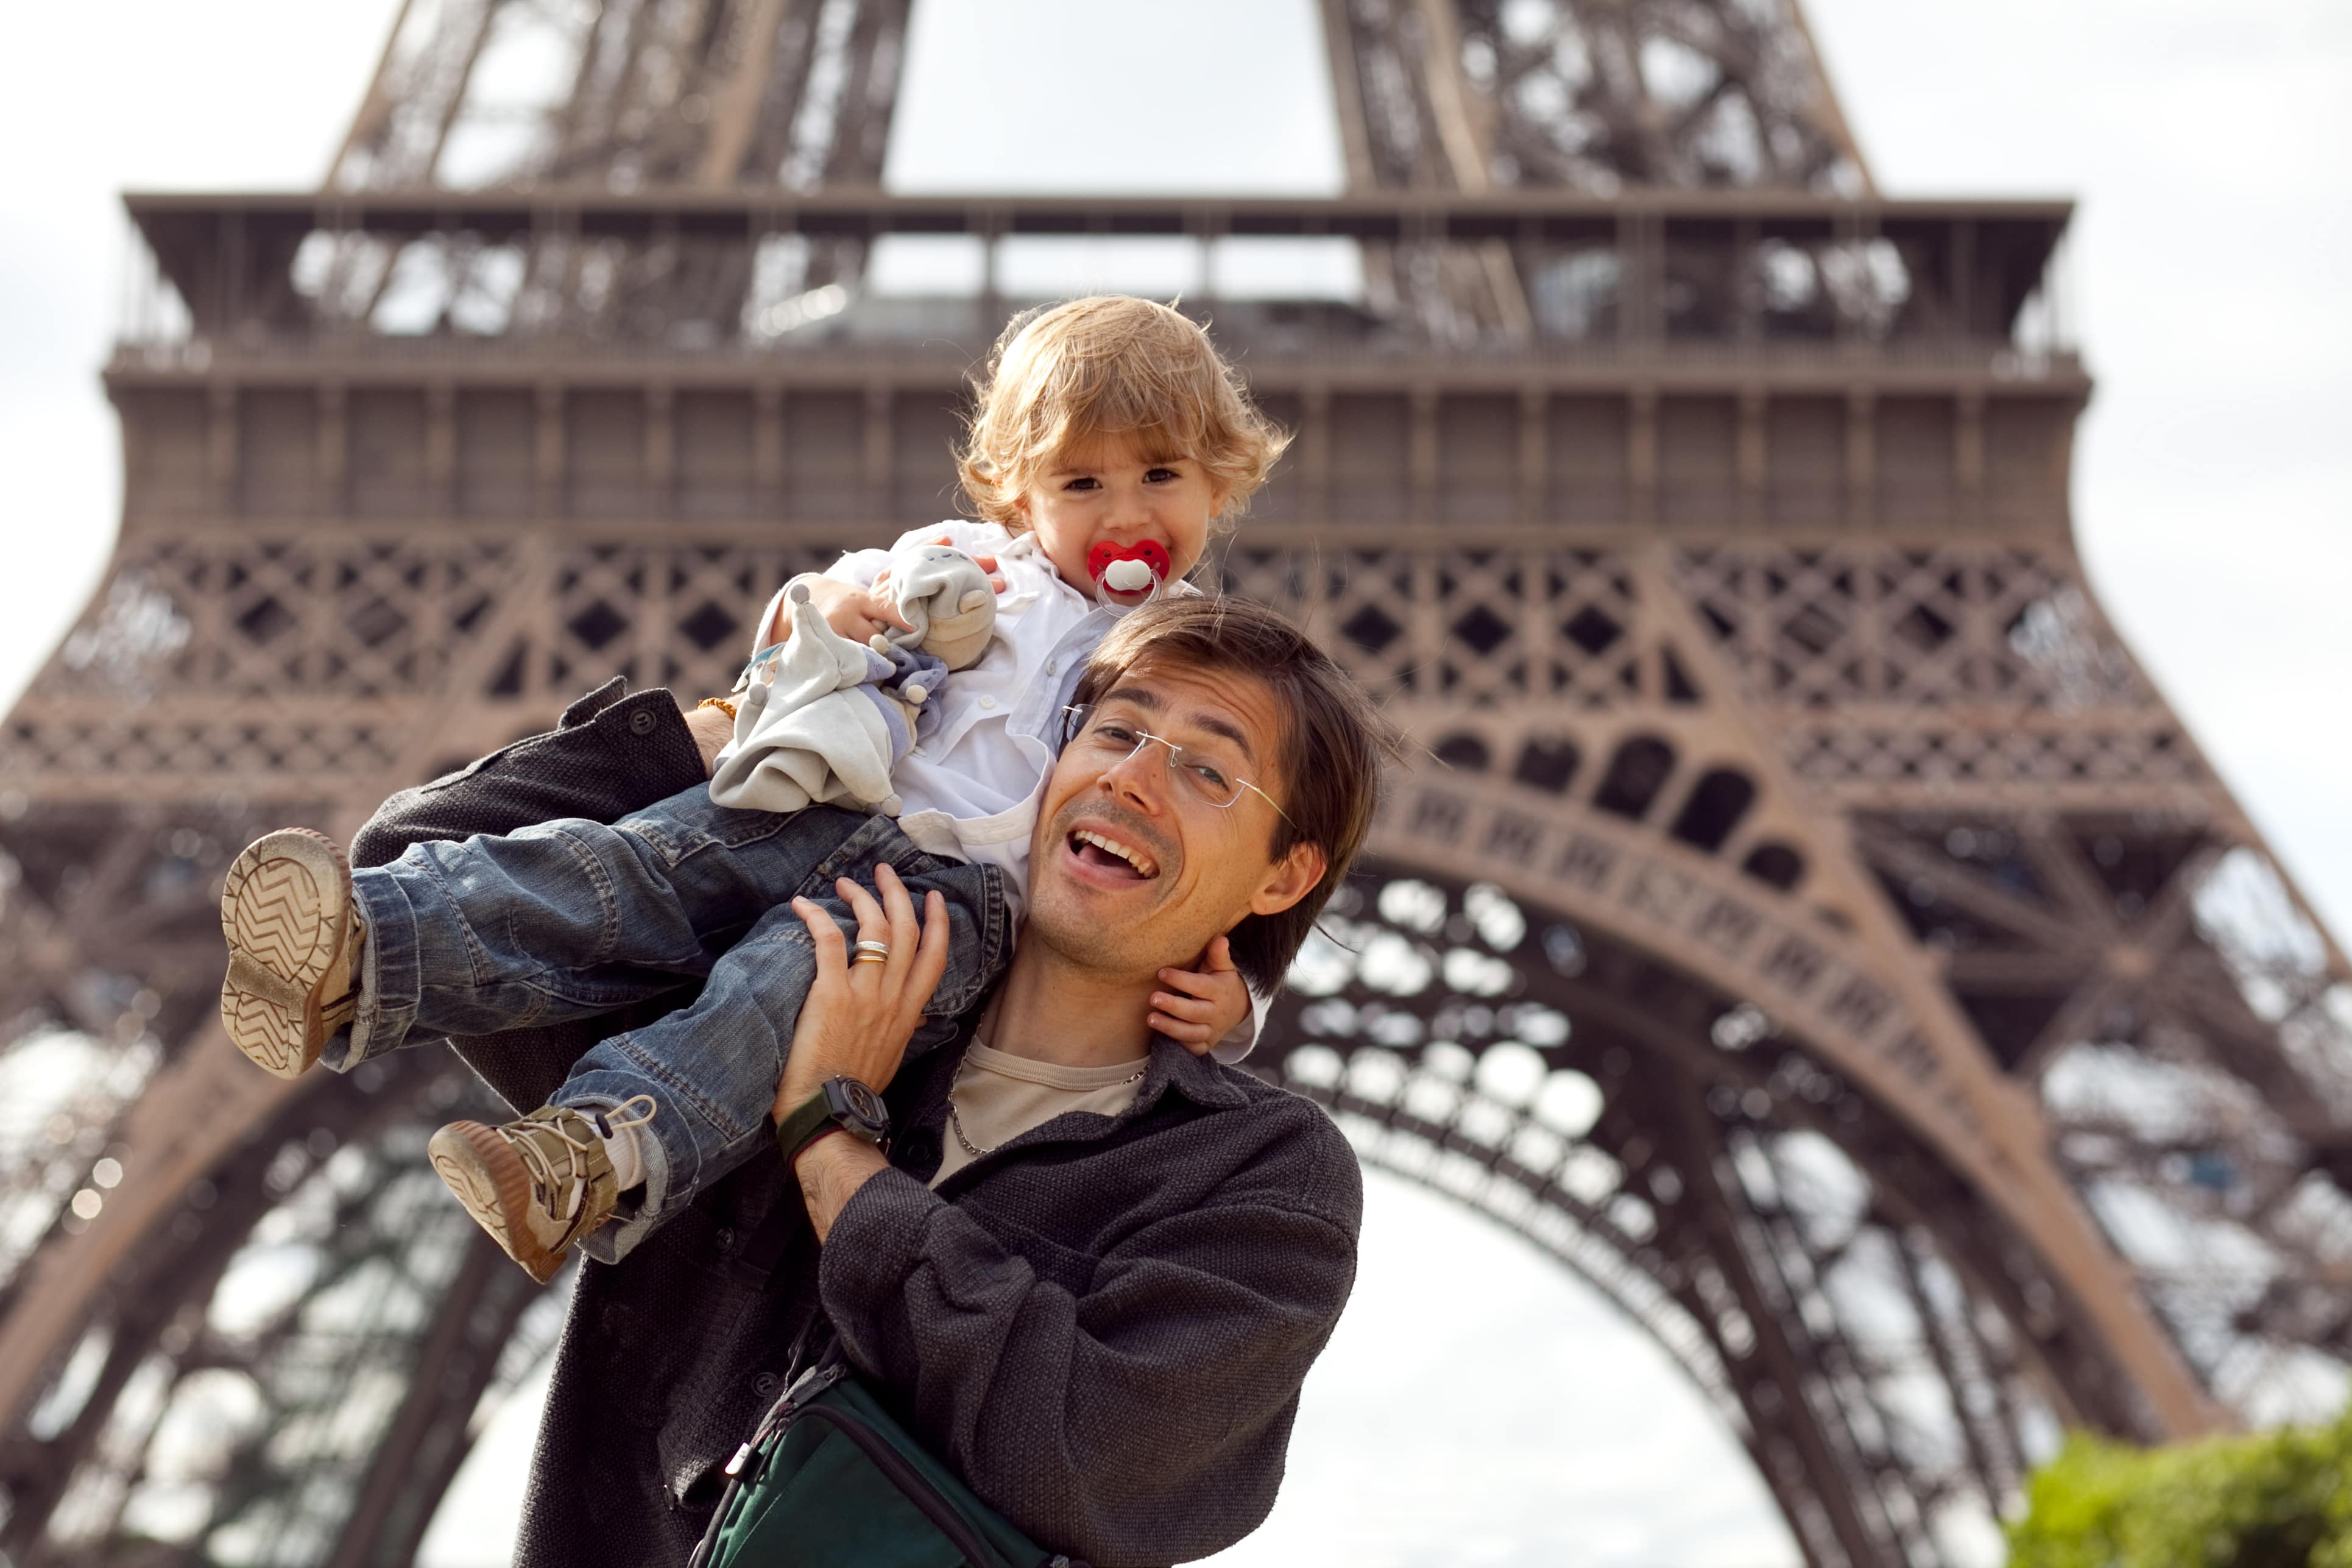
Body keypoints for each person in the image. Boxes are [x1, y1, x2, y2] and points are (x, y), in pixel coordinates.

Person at [214, 296, 1284, 1280]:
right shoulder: (965, 559)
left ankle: (593, 1157)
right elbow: (827, 609)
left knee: (776, 994)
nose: (1123, 510)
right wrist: (815, 606)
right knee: (626, 871)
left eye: (1160, 476)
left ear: (1221, 485)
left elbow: (1216, 848)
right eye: (1081, 484)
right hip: (823, 794)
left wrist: (1239, 1000)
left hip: (958, 898)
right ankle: (369, 947)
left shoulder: (1186, 650)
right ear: (1017, 494)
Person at [347, 594, 1397, 1566]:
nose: (1129, 777)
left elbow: (1086, 1453)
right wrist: (745, 716)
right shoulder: (766, 982)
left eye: (1207, 770)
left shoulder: (1257, 1176)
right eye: (1114, 730)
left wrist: (827, 1134)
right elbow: (404, 890)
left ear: (1284, 872)